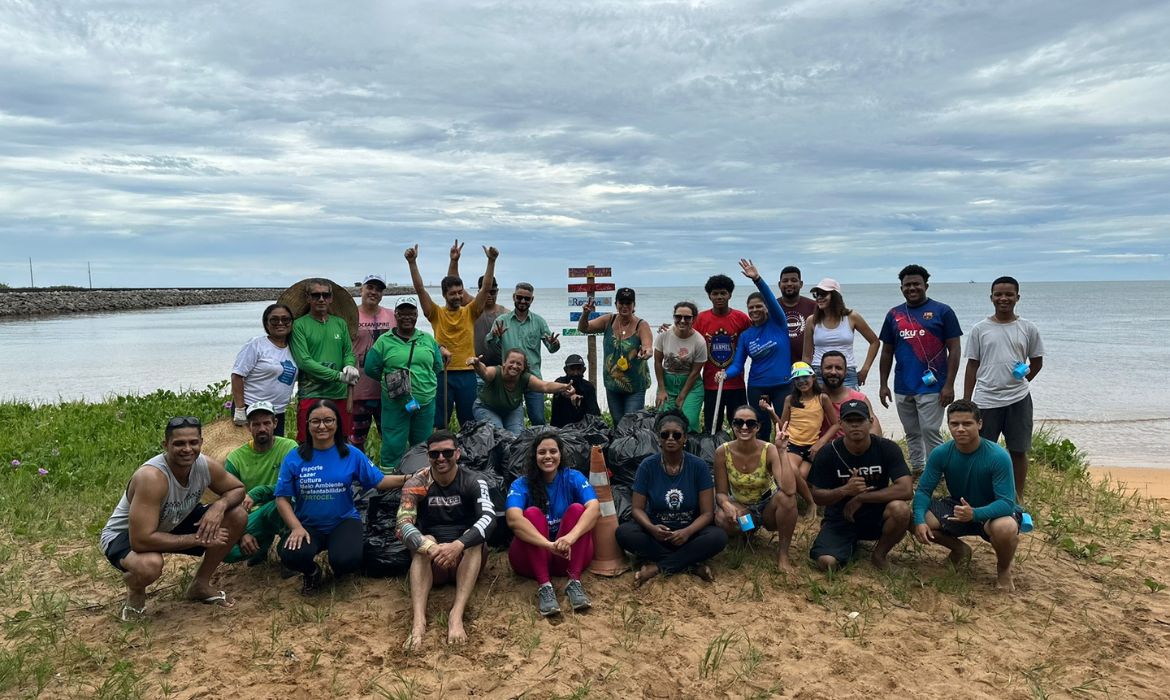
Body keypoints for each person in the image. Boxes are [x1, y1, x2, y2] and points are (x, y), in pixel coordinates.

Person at [98, 416, 248, 621]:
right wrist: (198, 539)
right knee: (149, 565)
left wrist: (219, 506)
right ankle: (135, 589)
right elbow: (141, 540)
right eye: (179, 444)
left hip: (174, 519)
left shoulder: (205, 465)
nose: (187, 449)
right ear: (165, 445)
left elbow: (237, 489)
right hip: (128, 533)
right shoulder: (152, 477)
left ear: (201, 443)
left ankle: (200, 584)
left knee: (237, 515)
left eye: (193, 443)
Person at [275, 400, 407, 595]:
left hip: (343, 521)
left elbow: (379, 481)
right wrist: (296, 527)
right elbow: (282, 498)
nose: (322, 426)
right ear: (308, 424)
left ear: (337, 423)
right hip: (308, 524)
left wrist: (409, 478)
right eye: (315, 421)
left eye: (328, 420)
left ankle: (339, 562)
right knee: (291, 555)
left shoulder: (351, 454)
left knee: (346, 561)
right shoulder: (294, 458)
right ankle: (312, 572)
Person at [397, 431, 497, 648]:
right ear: (428, 456)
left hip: (465, 556)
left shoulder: (474, 480)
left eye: (447, 452)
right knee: (424, 540)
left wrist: (459, 544)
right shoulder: (417, 482)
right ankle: (418, 622)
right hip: (433, 559)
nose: (441, 458)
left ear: (457, 453)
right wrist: (430, 547)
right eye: (435, 454)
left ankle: (456, 616)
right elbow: (402, 524)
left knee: (474, 539)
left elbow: (489, 518)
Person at [912, 400, 1022, 591]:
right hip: (958, 506)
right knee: (913, 517)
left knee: (1006, 527)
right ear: (948, 425)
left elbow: (1006, 503)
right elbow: (923, 491)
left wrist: (975, 514)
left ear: (979, 424)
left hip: (992, 511)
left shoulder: (997, 455)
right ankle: (959, 550)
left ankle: (1004, 569)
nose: (960, 429)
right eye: (954, 424)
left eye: (967, 423)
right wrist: (920, 521)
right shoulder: (941, 453)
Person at [615, 412, 729, 587]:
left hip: (690, 534)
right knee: (624, 532)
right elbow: (637, 509)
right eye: (664, 434)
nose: (670, 438)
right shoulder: (647, 466)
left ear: (685, 438)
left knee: (718, 537)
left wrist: (687, 532)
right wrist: (652, 528)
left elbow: (707, 513)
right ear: (658, 439)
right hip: (657, 535)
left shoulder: (698, 466)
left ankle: (658, 567)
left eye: (676, 435)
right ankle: (690, 565)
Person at [963, 276, 1045, 497]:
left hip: (1019, 399)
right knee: (981, 450)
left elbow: (1037, 361)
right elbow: (972, 365)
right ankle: (982, 494)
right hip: (986, 399)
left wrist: (1022, 383)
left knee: (1018, 450)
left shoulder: (1028, 328)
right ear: (991, 298)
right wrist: (967, 400)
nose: (1003, 298)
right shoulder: (980, 329)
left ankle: (1016, 497)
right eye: (998, 294)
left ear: (1017, 297)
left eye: (1009, 294)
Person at [807, 400, 913, 570]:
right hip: (841, 517)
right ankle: (845, 543)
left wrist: (861, 498)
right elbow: (817, 496)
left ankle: (879, 556)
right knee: (827, 563)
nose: (855, 425)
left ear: (870, 421)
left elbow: (906, 489)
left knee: (901, 510)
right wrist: (845, 490)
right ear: (840, 423)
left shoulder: (887, 448)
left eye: (860, 420)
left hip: (877, 515)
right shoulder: (828, 452)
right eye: (849, 421)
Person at [878, 264, 963, 474]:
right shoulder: (894, 314)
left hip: (933, 386)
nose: (912, 288)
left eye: (916, 284)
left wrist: (949, 385)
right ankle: (917, 468)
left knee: (930, 430)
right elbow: (887, 351)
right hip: (903, 385)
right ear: (901, 288)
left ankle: (937, 472)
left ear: (926, 285)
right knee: (912, 432)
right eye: (907, 285)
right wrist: (883, 384)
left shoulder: (943, 311)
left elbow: (954, 349)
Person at [405, 242, 499, 430]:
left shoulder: (470, 312)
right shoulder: (435, 313)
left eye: (460, 292)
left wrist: (491, 261)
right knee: (440, 422)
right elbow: (420, 289)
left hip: (467, 373)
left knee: (469, 423)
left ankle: (467, 449)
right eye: (453, 293)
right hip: (443, 373)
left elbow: (485, 289)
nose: (457, 296)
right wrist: (412, 262)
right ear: (444, 295)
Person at [505, 432, 601, 616]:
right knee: (531, 514)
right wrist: (548, 545)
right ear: (534, 456)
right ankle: (544, 586)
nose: (548, 456)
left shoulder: (573, 477)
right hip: (530, 560)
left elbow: (595, 508)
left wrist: (570, 538)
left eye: (553, 451)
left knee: (578, 510)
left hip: (566, 555)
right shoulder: (521, 484)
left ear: (560, 454)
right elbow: (513, 519)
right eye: (542, 452)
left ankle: (574, 582)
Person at [364, 296, 446, 470]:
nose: (407, 317)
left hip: (425, 402)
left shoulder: (427, 339)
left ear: (417, 315)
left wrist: (422, 381)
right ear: (396, 315)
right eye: (402, 313)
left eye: (411, 313)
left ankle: (420, 478)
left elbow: (438, 366)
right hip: (395, 403)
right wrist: (391, 382)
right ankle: (390, 480)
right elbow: (371, 368)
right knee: (393, 445)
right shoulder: (384, 341)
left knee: (422, 446)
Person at [715, 259, 793, 441]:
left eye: (759, 306)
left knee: (785, 428)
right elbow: (738, 365)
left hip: (783, 386)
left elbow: (772, 299)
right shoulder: (746, 335)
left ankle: (785, 458)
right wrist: (725, 374)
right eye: (751, 308)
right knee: (760, 431)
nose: (755, 310)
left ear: (767, 308)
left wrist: (757, 279)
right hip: (757, 387)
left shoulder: (779, 323)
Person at [712, 406, 798, 570]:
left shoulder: (769, 449)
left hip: (768, 509)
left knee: (787, 499)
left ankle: (783, 553)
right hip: (743, 509)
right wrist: (726, 505)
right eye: (739, 423)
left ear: (758, 427)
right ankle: (747, 532)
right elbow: (721, 493)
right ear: (733, 425)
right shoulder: (722, 452)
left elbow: (789, 490)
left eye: (750, 423)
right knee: (722, 517)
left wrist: (782, 451)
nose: (744, 427)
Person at [223, 402, 299, 566]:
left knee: (283, 503)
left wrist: (259, 492)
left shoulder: (289, 447)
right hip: (252, 514)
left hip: (282, 506)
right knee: (225, 550)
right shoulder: (235, 459)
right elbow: (228, 499)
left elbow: (296, 485)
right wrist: (242, 533)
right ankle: (261, 546)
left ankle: (287, 552)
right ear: (248, 427)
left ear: (275, 423)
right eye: (256, 424)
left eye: (266, 423)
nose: (262, 428)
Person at [760, 361, 838, 514]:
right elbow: (783, 425)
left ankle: (802, 500)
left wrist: (820, 443)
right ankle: (811, 503)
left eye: (805, 377)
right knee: (793, 471)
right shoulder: (790, 399)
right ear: (793, 382)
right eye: (797, 379)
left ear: (813, 377)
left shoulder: (822, 398)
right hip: (792, 444)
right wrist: (771, 412)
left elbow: (836, 424)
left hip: (812, 446)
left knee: (800, 476)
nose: (802, 381)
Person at [290, 279, 359, 440]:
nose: (321, 299)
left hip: (339, 394)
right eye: (316, 295)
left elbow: (348, 352)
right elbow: (304, 361)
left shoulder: (340, 323)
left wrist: (349, 366)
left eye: (325, 295)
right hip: (311, 393)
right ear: (308, 298)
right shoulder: (299, 325)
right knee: (308, 441)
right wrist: (338, 376)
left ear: (331, 298)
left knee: (341, 440)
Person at [486, 283, 562, 427]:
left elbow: (551, 348)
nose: (522, 301)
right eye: (519, 297)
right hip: (509, 380)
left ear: (532, 300)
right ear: (513, 297)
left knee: (538, 419)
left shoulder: (539, 322)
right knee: (513, 422)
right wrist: (495, 336)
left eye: (526, 299)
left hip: (532, 377)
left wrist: (555, 343)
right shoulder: (502, 321)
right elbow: (490, 345)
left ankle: (540, 441)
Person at [578, 287, 653, 427]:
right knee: (618, 423)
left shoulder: (641, 325)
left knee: (630, 424)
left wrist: (646, 352)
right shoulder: (609, 320)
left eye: (628, 303)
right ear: (616, 304)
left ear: (634, 305)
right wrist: (585, 314)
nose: (624, 306)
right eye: (621, 302)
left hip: (635, 386)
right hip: (612, 385)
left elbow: (648, 347)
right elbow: (584, 328)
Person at [693, 274, 752, 433]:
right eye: (715, 293)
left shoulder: (741, 318)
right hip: (710, 384)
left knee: (741, 428)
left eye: (723, 293)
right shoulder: (700, 319)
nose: (719, 297)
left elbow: (754, 337)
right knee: (711, 428)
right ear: (709, 296)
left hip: (736, 383)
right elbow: (687, 337)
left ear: (730, 294)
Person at [467, 350, 576, 435]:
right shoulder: (495, 372)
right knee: (499, 435)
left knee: (517, 439)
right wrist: (477, 364)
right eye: (511, 362)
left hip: (512, 410)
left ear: (523, 367)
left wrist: (564, 387)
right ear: (504, 363)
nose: (515, 366)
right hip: (486, 408)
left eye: (519, 364)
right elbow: (485, 372)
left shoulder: (525, 378)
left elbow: (545, 386)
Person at [231, 303, 298, 436]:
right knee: (249, 447)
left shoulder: (294, 348)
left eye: (285, 319)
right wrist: (240, 409)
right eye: (274, 320)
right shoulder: (256, 344)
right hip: (252, 409)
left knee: (274, 448)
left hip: (277, 412)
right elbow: (237, 375)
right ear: (266, 323)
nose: (280, 323)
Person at [802, 278, 879, 389]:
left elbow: (874, 342)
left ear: (835, 296)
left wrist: (865, 370)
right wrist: (806, 377)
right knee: (821, 401)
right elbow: (806, 356)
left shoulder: (851, 317)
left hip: (847, 371)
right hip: (819, 372)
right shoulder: (812, 320)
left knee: (851, 401)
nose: (819, 298)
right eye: (817, 294)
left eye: (823, 294)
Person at [351, 274, 397, 455]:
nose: (374, 292)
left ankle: (390, 470)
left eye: (378, 289)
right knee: (355, 441)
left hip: (387, 391)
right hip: (358, 390)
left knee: (390, 439)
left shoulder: (392, 315)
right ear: (361, 289)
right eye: (370, 287)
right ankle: (357, 471)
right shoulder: (350, 315)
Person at [653, 301, 707, 430]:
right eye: (678, 317)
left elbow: (695, 372)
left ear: (693, 319)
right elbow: (657, 361)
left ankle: (691, 443)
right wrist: (661, 389)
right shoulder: (664, 334)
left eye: (687, 317)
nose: (682, 321)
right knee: (664, 422)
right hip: (667, 384)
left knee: (689, 423)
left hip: (690, 385)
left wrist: (682, 396)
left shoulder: (699, 341)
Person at [820, 351, 883, 437]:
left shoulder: (859, 398)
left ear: (846, 371)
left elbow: (874, 429)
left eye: (838, 368)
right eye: (828, 368)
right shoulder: (812, 396)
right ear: (821, 370)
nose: (833, 372)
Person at [777, 265, 817, 366]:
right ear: (779, 284)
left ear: (801, 284)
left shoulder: (814, 306)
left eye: (794, 280)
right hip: (778, 368)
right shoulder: (771, 307)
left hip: (807, 368)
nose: (789, 284)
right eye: (785, 281)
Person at [549, 354, 601, 427]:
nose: (575, 373)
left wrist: (579, 404)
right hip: (560, 427)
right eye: (572, 369)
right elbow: (560, 390)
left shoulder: (588, 387)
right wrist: (570, 395)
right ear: (566, 370)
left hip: (583, 428)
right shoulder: (560, 382)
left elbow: (594, 414)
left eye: (579, 369)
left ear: (583, 370)